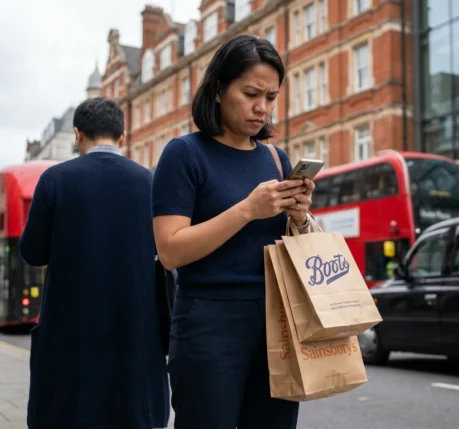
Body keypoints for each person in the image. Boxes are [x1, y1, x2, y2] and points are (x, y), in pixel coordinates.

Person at [152, 35, 316, 429]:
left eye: (271, 97)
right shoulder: (184, 154)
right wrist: (246, 210)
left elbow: (297, 248)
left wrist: (299, 217)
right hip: (209, 323)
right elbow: (170, 250)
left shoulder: (276, 159)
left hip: (277, 321)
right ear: (220, 89)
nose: (262, 107)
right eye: (250, 93)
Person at [19, 97, 170, 429]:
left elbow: (32, 252)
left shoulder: (55, 179)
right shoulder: (151, 181)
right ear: (122, 134)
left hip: (70, 335)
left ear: (77, 134)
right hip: (136, 330)